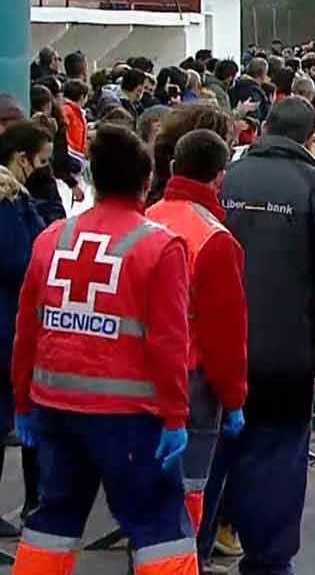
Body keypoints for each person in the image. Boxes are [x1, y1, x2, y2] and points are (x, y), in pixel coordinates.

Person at [11, 124, 198, 575]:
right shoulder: (158, 246)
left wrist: (23, 403)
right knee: (158, 527)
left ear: (93, 176)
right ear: (147, 179)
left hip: (55, 407)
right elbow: (170, 342)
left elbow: (28, 331)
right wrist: (176, 414)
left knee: (52, 521)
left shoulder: (52, 238)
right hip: (130, 416)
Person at [206, 98, 315, 574]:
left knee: (208, 456)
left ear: (261, 128)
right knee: (277, 460)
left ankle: (192, 553)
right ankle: (268, 562)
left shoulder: (224, 180)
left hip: (213, 351)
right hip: (286, 352)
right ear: (312, 137)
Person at [145, 130, 248, 538]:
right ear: (220, 177)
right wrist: (235, 397)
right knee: (188, 495)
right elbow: (225, 331)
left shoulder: (146, 218)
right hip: (192, 384)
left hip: (137, 374)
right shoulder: (215, 239)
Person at [0, 123, 52, 536]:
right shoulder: (10, 202)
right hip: (8, 323)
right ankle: (35, 500)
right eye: (41, 161)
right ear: (23, 159)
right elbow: (26, 256)